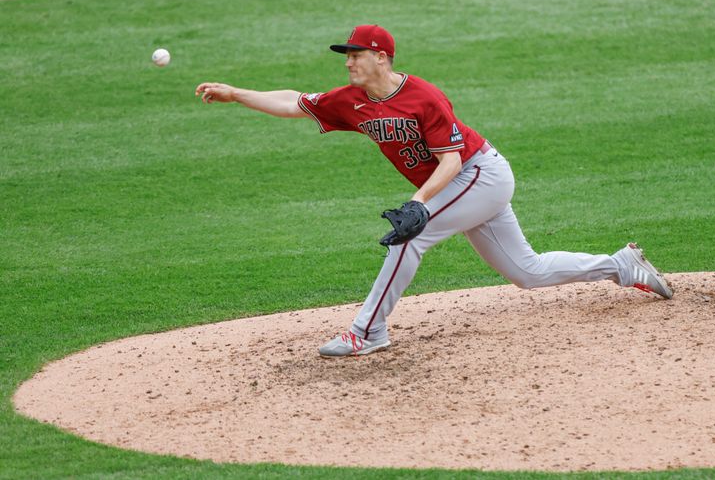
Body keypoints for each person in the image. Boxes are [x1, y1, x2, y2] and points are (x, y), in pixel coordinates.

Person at [195, 25, 673, 358]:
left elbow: (450, 159)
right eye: (347, 56)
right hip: (462, 185)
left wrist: (420, 204)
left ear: (381, 57)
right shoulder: (352, 101)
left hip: (480, 175)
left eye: (356, 55)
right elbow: (293, 103)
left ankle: (368, 331)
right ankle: (620, 265)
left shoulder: (423, 96)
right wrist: (237, 93)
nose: (350, 62)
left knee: (410, 236)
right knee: (527, 272)